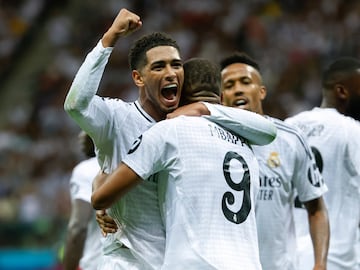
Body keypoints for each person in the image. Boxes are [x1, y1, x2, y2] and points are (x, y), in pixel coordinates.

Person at [64, 8, 276, 269]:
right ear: (138, 78)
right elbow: (76, 105)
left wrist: (203, 108)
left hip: (174, 260)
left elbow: (266, 129)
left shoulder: (190, 127)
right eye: (159, 66)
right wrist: (110, 38)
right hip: (127, 260)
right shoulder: (117, 118)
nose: (170, 72)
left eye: (176, 65)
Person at [219, 52, 330, 270]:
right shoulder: (210, 140)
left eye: (245, 82)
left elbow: (316, 208)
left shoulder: (290, 139)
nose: (238, 89)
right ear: (221, 97)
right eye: (230, 85)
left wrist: (320, 264)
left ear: (261, 92)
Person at [286, 57, 360, 270]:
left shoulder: (289, 128)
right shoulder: (352, 131)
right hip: (335, 259)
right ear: (342, 91)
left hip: (289, 258)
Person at [63, 131, 103, 270]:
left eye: (84, 128)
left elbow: (78, 228)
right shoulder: (132, 165)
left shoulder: (86, 170)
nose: (80, 136)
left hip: (99, 264)